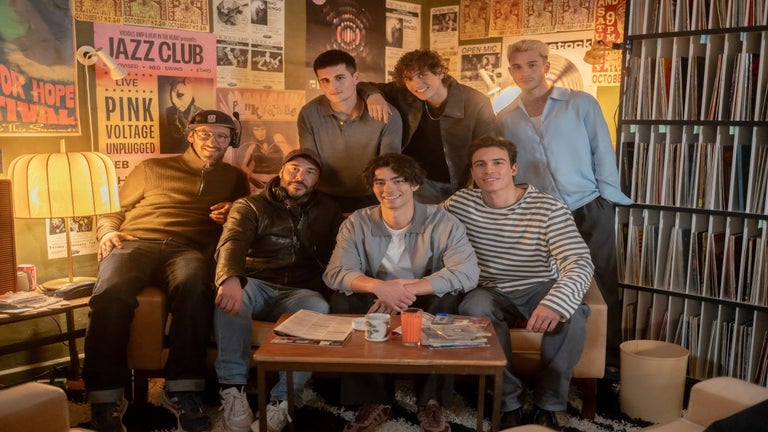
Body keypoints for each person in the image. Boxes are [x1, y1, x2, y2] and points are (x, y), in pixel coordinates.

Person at [84, 110, 249, 432]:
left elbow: (246, 219)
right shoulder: (151, 168)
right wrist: (107, 232)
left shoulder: (235, 178)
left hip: (187, 249)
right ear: (190, 136)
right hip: (136, 241)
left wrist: (233, 210)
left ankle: (181, 390)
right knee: (110, 294)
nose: (213, 142)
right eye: (205, 134)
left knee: (196, 288)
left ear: (231, 141)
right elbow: (112, 209)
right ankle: (106, 396)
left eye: (222, 136)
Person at [496, 39, 632, 379]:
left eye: (531, 64)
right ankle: (565, 362)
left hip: (588, 204)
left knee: (602, 282)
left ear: (545, 65)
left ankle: (608, 361)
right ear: (511, 71)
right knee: (554, 282)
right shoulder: (505, 117)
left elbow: (603, 149)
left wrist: (607, 199)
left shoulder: (580, 103)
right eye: (517, 67)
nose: (525, 72)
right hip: (543, 214)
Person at [443, 136, 594, 429]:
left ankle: (547, 404)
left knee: (573, 314)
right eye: (480, 164)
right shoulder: (459, 204)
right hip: (490, 289)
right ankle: (508, 400)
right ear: (472, 172)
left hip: (540, 284)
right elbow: (424, 223)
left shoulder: (549, 208)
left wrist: (555, 304)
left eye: (498, 163)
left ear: (513, 168)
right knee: (473, 309)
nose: (489, 170)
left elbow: (578, 261)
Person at [324, 153, 479, 432]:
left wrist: (405, 289)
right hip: (376, 295)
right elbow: (335, 273)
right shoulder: (358, 222)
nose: (388, 189)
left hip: (424, 293)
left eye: (398, 181)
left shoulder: (442, 221)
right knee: (342, 300)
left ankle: (431, 400)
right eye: (380, 182)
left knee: (447, 301)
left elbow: (467, 272)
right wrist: (380, 288)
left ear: (415, 184)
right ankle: (375, 398)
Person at [213, 148, 344, 432]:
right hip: (256, 282)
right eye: (294, 168)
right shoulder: (250, 205)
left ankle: (284, 400)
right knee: (232, 298)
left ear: (317, 180)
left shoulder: (328, 209)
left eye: (310, 172)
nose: (300, 176)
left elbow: (343, 250)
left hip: (300, 289)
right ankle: (233, 389)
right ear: (281, 171)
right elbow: (233, 241)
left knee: (318, 307)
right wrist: (229, 278)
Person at [362, 49, 496, 204]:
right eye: (409, 78)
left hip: (461, 185)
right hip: (419, 184)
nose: (416, 84)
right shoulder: (403, 93)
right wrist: (373, 95)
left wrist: (481, 192)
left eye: (421, 75)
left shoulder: (477, 102)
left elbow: (489, 150)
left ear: (440, 72)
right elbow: (363, 85)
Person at [298, 49, 403, 212]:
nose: (333, 86)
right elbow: (309, 160)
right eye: (325, 80)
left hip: (371, 197)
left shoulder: (387, 114)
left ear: (355, 78)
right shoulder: (309, 113)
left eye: (340, 78)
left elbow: (388, 166)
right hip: (323, 197)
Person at [240, 122, 288, 193]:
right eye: (256, 130)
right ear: (252, 132)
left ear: (267, 130)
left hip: (276, 182)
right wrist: (252, 175)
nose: (260, 133)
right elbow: (243, 165)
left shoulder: (277, 142)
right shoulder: (252, 147)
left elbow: (290, 157)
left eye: (263, 129)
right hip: (257, 183)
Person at [161, 78, 203, 154]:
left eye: (180, 95)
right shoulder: (168, 113)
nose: (174, 102)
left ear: (191, 93)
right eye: (171, 97)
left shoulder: (202, 114)